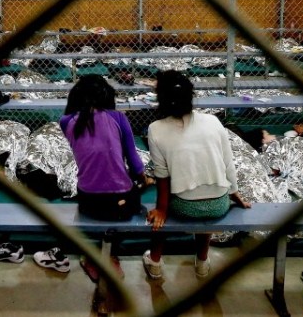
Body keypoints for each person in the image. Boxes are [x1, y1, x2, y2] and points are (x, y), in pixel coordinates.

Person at [32, 74, 147, 278]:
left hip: (90, 202)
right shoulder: (118, 118)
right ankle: (111, 256)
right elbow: (135, 162)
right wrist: (144, 178)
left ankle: (93, 258)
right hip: (122, 205)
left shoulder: (66, 122)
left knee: (98, 192)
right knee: (133, 196)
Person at [142, 70, 251, 280]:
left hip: (185, 207)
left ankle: (154, 261)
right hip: (219, 204)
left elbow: (162, 177)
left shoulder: (155, 129)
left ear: (161, 98)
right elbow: (228, 164)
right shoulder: (213, 121)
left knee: (160, 215)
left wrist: (161, 210)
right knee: (204, 190)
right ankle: (202, 261)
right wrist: (234, 195)